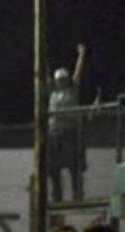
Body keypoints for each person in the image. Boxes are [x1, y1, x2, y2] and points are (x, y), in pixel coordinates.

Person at [48, 43, 87, 203]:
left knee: (74, 166)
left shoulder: (73, 89)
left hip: (70, 132)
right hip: (55, 133)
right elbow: (44, 75)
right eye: (59, 80)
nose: (61, 82)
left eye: (63, 79)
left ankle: (78, 195)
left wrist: (81, 54)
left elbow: (78, 71)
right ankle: (57, 196)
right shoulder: (53, 91)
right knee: (53, 168)